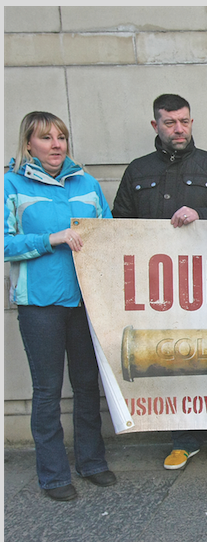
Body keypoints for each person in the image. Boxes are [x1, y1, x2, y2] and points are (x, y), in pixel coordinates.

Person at [113, 94, 207, 470]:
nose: (179, 129)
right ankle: (183, 438)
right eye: (171, 122)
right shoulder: (137, 171)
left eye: (185, 122)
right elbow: (119, 224)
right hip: (160, 288)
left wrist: (200, 212)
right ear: (155, 125)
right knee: (173, 360)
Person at [4, 111, 117, 501]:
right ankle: (53, 475)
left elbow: (110, 231)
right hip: (39, 303)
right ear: (29, 144)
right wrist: (51, 238)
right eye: (46, 138)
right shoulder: (11, 184)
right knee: (48, 390)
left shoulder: (85, 182)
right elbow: (5, 243)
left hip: (86, 301)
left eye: (61, 137)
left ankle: (92, 462)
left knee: (88, 386)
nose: (56, 145)